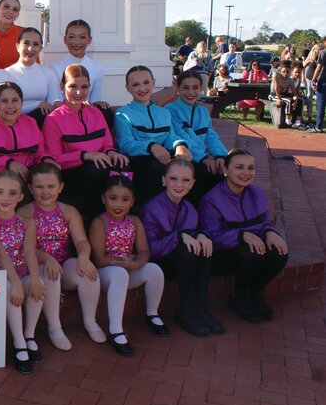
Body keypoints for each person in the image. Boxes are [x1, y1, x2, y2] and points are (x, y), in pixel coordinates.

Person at [18, 164, 106, 349]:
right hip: (37, 266)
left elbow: (81, 241)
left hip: (63, 262)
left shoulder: (68, 211)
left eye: (51, 186)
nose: (45, 192)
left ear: (61, 187)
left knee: (89, 272)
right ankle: (55, 327)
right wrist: (47, 258)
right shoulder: (25, 213)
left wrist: (83, 256)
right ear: (30, 188)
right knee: (51, 273)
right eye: (39, 187)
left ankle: (90, 321)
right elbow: (23, 248)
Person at [199, 149, 289, 322]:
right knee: (251, 253)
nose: (246, 173)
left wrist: (270, 232)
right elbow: (212, 235)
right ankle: (239, 298)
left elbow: (264, 222)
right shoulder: (211, 199)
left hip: (251, 249)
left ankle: (254, 292)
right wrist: (242, 235)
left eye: (251, 168)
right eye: (239, 167)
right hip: (223, 254)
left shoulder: (257, 194)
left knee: (279, 252)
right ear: (225, 170)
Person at [140, 160, 224, 337]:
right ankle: (185, 310)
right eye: (173, 178)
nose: (179, 184)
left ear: (192, 183)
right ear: (164, 180)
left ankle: (200, 306)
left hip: (181, 259)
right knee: (188, 251)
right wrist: (178, 237)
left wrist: (201, 235)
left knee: (204, 247)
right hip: (158, 261)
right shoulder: (151, 208)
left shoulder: (188, 208)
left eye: (186, 180)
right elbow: (151, 249)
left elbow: (193, 231)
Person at [89, 174, 168, 356]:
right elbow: (99, 259)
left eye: (125, 199)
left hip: (126, 270)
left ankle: (152, 314)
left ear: (132, 201)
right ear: (103, 199)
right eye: (113, 198)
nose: (119, 204)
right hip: (105, 275)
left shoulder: (135, 221)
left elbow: (144, 251)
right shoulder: (99, 223)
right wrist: (125, 262)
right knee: (119, 274)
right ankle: (116, 329)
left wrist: (136, 263)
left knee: (154, 270)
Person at [0, 170, 41, 373]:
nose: (5, 198)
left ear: (20, 197)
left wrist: (34, 279)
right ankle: (19, 342)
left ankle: (30, 333)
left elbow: (30, 251)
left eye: (12, 193)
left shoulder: (28, 223)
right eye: (0, 192)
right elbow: (2, 255)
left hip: (21, 271)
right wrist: (15, 283)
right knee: (7, 287)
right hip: (0, 276)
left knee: (39, 282)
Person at [43, 64, 128, 217]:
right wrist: (85, 155)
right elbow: (54, 159)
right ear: (62, 86)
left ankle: (121, 219)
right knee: (97, 171)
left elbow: (107, 144)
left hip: (97, 164)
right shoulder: (53, 119)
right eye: (73, 86)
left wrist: (112, 153)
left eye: (84, 87)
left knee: (124, 165)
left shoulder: (95, 113)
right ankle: (93, 220)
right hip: (71, 173)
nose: (78, 92)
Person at [114, 66, 190, 205]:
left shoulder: (164, 113)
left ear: (153, 83)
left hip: (163, 158)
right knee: (157, 168)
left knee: (192, 168)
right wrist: (151, 147)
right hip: (139, 162)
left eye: (146, 82)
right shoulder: (122, 114)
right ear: (128, 88)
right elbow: (125, 144)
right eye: (135, 85)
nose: (142, 88)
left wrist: (180, 145)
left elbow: (170, 136)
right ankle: (150, 212)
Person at [165, 70, 227, 201]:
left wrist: (220, 155)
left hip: (201, 158)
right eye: (186, 88)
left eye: (195, 88)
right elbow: (181, 136)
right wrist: (203, 158)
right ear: (178, 88)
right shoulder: (170, 110)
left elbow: (211, 136)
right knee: (204, 173)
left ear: (201, 89)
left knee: (223, 171)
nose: (191, 92)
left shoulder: (203, 111)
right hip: (182, 156)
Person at [0, 81, 49, 182]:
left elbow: (40, 154)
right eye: (4, 101)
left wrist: (46, 160)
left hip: (28, 178)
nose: (10, 106)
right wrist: (8, 164)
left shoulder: (31, 122)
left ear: (21, 103)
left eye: (15, 100)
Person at [5, 27, 60, 128]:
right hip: (14, 125)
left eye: (35, 44)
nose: (30, 48)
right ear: (17, 46)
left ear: (40, 48)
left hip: (42, 124)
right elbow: (6, 109)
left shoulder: (48, 73)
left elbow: (52, 105)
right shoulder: (6, 74)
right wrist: (37, 104)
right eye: (26, 43)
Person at [52, 20, 109, 107]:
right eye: (72, 37)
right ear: (65, 40)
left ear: (89, 40)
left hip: (88, 112)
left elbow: (95, 99)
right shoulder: (56, 68)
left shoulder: (97, 68)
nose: (76, 42)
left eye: (82, 37)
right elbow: (56, 101)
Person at [0, 0, 23, 69]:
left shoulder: (25, 34)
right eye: (6, 7)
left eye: (15, 9)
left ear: (17, 15)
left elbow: (35, 66)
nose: (10, 12)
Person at [272, 61, 303, 127]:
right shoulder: (276, 76)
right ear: (281, 71)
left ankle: (297, 121)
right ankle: (288, 120)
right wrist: (279, 99)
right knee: (288, 100)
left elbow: (294, 93)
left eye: (288, 72)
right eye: (283, 72)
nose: (285, 74)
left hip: (283, 94)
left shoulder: (290, 80)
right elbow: (276, 87)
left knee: (300, 101)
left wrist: (296, 99)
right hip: (274, 94)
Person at [310, 37, 326, 132]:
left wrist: (313, 79)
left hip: (323, 80)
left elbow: (319, 67)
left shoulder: (323, 52)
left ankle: (318, 126)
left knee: (321, 103)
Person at [302, 42, 321, 123]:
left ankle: (316, 116)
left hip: (317, 79)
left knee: (317, 97)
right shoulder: (310, 58)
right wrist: (303, 77)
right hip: (309, 78)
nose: (319, 51)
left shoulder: (320, 58)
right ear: (314, 50)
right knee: (309, 95)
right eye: (318, 49)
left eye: (320, 49)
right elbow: (302, 66)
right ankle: (309, 116)